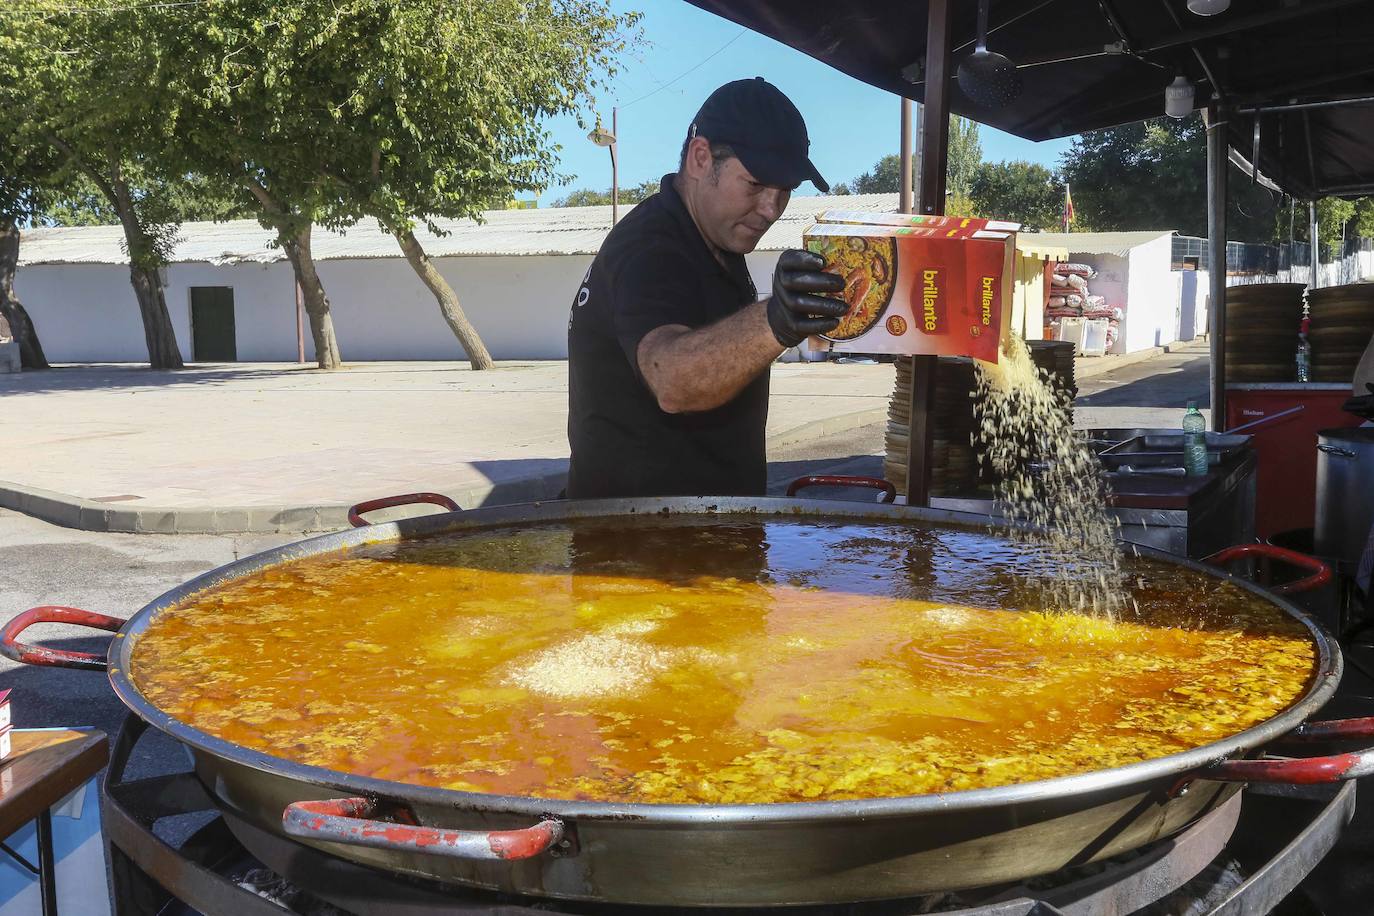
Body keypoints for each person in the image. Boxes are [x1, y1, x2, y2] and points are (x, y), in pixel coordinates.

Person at [567, 78, 847, 499]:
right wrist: (776, 321)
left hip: (707, 536)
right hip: (635, 548)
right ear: (701, 158)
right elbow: (671, 379)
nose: (771, 209)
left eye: (784, 191)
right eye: (754, 185)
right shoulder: (651, 247)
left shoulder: (716, 240)